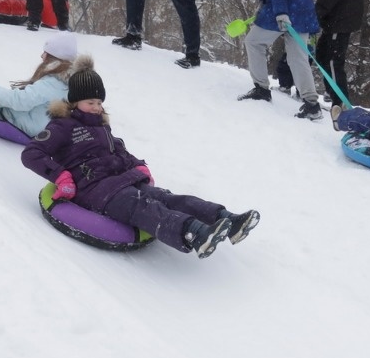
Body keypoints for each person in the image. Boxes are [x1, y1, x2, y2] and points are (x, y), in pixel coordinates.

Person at [20, 61, 260, 258]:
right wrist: (61, 176)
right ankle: (194, 233)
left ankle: (227, 219)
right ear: (74, 102)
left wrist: (138, 166)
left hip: (122, 181)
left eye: (99, 102)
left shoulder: (102, 126)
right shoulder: (62, 126)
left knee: (168, 198)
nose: (96, 107)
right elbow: (31, 154)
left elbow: (119, 149)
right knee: (143, 207)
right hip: (95, 191)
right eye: (90, 102)